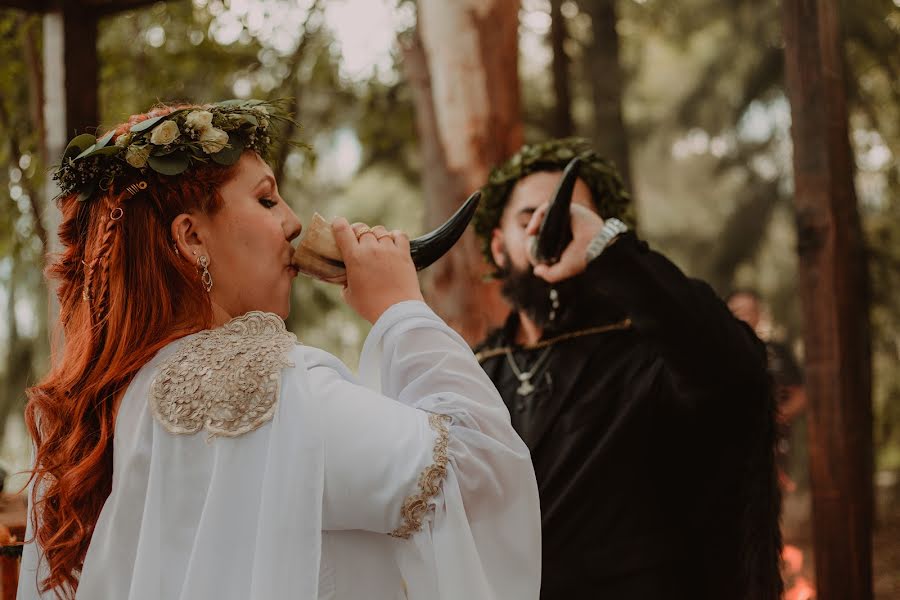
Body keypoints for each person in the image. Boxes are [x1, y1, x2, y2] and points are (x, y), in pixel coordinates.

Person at [18, 100, 540, 599]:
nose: (293, 221)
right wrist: (401, 308)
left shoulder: (101, 414)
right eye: (267, 199)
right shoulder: (269, 389)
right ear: (192, 239)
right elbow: (481, 471)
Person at [472, 138, 783, 600]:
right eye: (528, 219)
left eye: (568, 214)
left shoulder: (647, 351)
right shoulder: (474, 371)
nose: (548, 227)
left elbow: (738, 374)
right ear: (499, 248)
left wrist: (608, 250)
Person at [727, 289, 807, 490]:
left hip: (775, 450)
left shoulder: (777, 352)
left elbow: (802, 395)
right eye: (737, 311)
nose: (743, 316)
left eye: (750, 310)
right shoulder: (717, 355)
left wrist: (775, 417)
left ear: (759, 314)